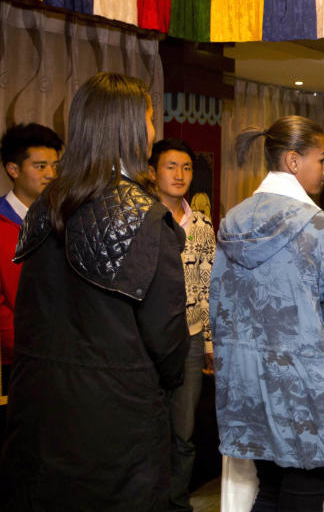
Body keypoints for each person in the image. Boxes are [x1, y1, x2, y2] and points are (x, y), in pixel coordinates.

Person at [0, 73, 189, 511]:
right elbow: (167, 339)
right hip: (115, 421)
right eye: (148, 119)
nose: (153, 131)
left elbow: (30, 311)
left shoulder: (44, 207)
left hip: (40, 411)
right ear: (129, 127)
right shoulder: (145, 216)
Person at [210, 116, 324, 512]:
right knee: (304, 495)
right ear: (293, 161)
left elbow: (221, 308)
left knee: (271, 490)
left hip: (247, 385)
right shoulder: (320, 228)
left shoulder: (232, 222)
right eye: (322, 158)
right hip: (303, 391)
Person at [149, 138, 216, 512]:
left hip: (189, 338)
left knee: (184, 430)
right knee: (148, 425)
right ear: (154, 172)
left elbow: (209, 286)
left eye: (186, 167)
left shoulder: (202, 224)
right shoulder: (142, 220)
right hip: (148, 338)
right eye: (171, 166)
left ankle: (178, 502)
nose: (179, 175)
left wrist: (209, 343)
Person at [0, 123, 62, 388]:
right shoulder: (3, 223)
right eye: (40, 166)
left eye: (55, 165)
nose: (50, 174)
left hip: (62, 357)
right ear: (13, 170)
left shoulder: (63, 220)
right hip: (14, 362)